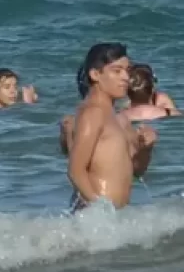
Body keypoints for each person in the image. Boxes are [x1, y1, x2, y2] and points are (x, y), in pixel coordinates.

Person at [66, 43, 157, 212]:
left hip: (114, 219)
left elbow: (136, 172)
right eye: (117, 71)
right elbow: (75, 170)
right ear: (95, 74)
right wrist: (100, 210)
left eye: (127, 70)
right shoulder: (92, 113)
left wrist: (146, 149)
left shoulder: (120, 119)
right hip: (93, 219)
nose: (125, 77)